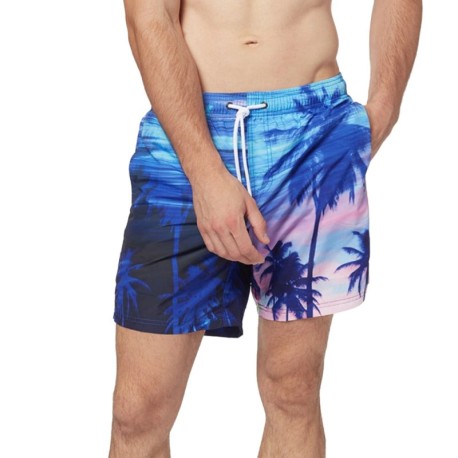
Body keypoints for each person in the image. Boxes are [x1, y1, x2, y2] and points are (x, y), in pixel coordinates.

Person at [109, 0, 422, 456]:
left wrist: (383, 110)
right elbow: (148, 16)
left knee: (293, 388)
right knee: (138, 409)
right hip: (185, 137)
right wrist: (205, 173)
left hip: (312, 131)